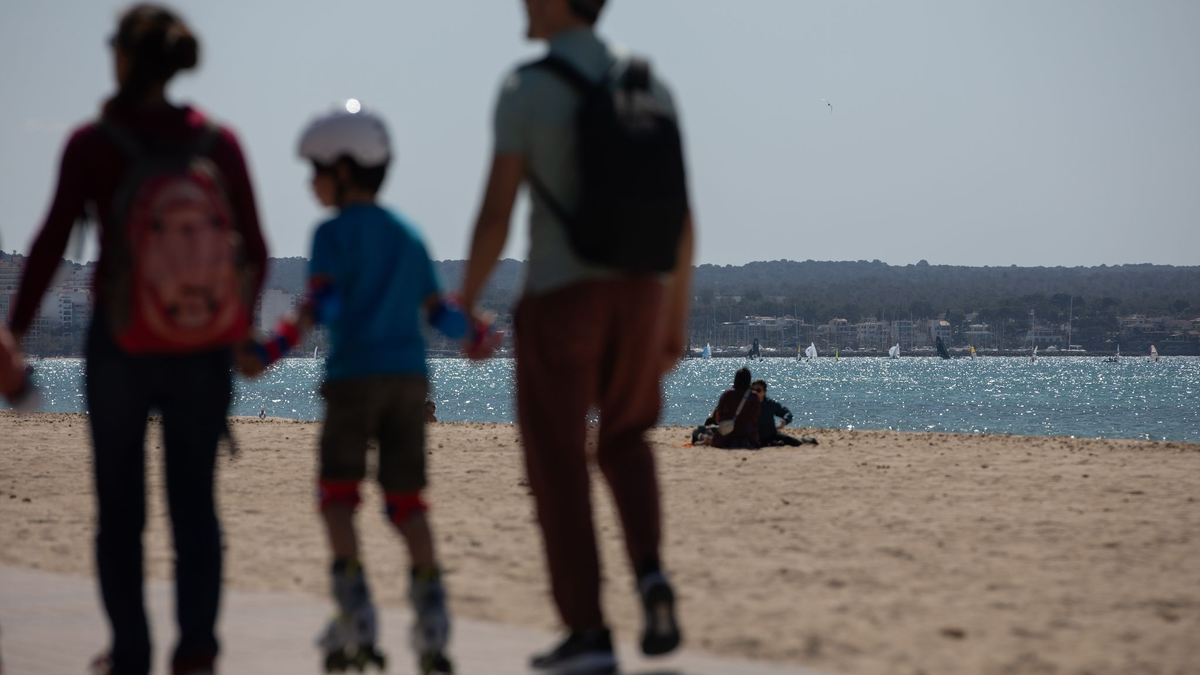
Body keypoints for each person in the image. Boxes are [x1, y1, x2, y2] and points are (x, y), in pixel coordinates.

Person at [8, 6, 268, 674]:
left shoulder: (93, 143)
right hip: (201, 351)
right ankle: (198, 651)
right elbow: (258, 251)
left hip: (120, 346)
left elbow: (47, 246)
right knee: (195, 511)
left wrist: (12, 333)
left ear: (123, 57)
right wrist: (236, 330)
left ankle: (130, 652)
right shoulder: (219, 143)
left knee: (121, 512)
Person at [459, 0, 694, 671]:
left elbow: (495, 216)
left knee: (557, 460)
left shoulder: (525, 88)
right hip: (642, 294)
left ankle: (588, 630)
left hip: (564, 297)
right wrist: (673, 317)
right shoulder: (652, 87)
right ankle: (651, 573)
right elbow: (682, 217)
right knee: (626, 439)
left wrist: (462, 305)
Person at [239, 104, 490, 675]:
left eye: (317, 170)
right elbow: (439, 312)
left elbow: (320, 306)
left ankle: (355, 616)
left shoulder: (330, 234)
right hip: (407, 382)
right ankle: (432, 626)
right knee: (408, 504)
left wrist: (269, 351)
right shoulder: (407, 233)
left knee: (338, 499)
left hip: (352, 381)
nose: (310, 182)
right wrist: (476, 335)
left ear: (345, 169)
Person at [710, 368, 762, 449]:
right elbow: (756, 416)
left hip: (727, 436)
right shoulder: (754, 397)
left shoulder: (727, 394)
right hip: (748, 436)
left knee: (701, 432)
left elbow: (719, 417)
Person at [752, 380, 801, 447]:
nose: (755, 392)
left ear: (764, 392)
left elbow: (786, 412)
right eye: (752, 389)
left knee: (796, 443)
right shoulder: (747, 404)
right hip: (754, 436)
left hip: (771, 434)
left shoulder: (770, 404)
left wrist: (785, 421)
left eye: (758, 390)